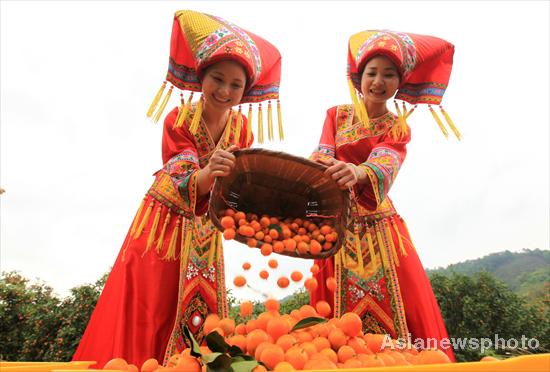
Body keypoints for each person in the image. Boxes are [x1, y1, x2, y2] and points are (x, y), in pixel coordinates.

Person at [72, 9, 282, 368]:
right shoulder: (180, 119)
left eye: (236, 85)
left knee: (199, 307)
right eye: (218, 79)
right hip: (164, 222)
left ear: (246, 91)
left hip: (205, 226)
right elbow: (183, 172)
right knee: (150, 302)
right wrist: (211, 172)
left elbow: (239, 187)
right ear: (201, 77)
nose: (226, 90)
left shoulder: (242, 130)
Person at [310, 30, 458, 361]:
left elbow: (386, 161)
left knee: (406, 307)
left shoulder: (398, 127)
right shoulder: (336, 115)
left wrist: (357, 171)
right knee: (334, 311)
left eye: (389, 74)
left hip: (380, 227)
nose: (378, 81)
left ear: (399, 82)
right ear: (358, 78)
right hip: (337, 226)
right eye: (372, 73)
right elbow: (320, 155)